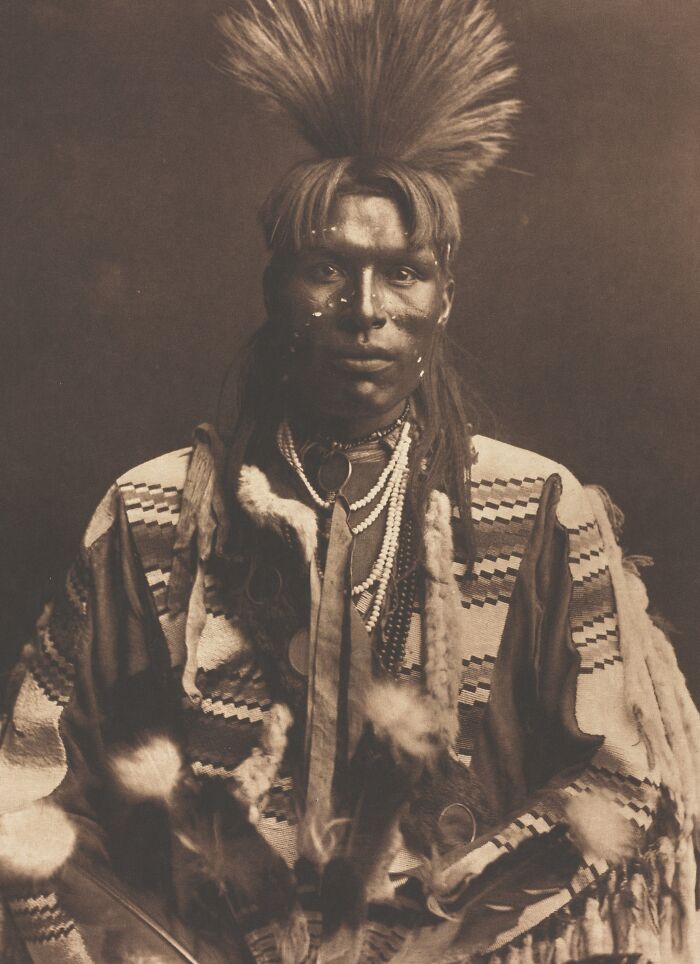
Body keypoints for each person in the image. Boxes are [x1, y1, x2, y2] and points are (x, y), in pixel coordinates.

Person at [1, 1, 698, 961]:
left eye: (402, 273)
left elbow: (625, 776)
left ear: (444, 296)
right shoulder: (154, 514)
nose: (364, 310)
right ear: (274, 285)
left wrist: (439, 918)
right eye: (327, 269)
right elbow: (33, 791)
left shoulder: (536, 510)